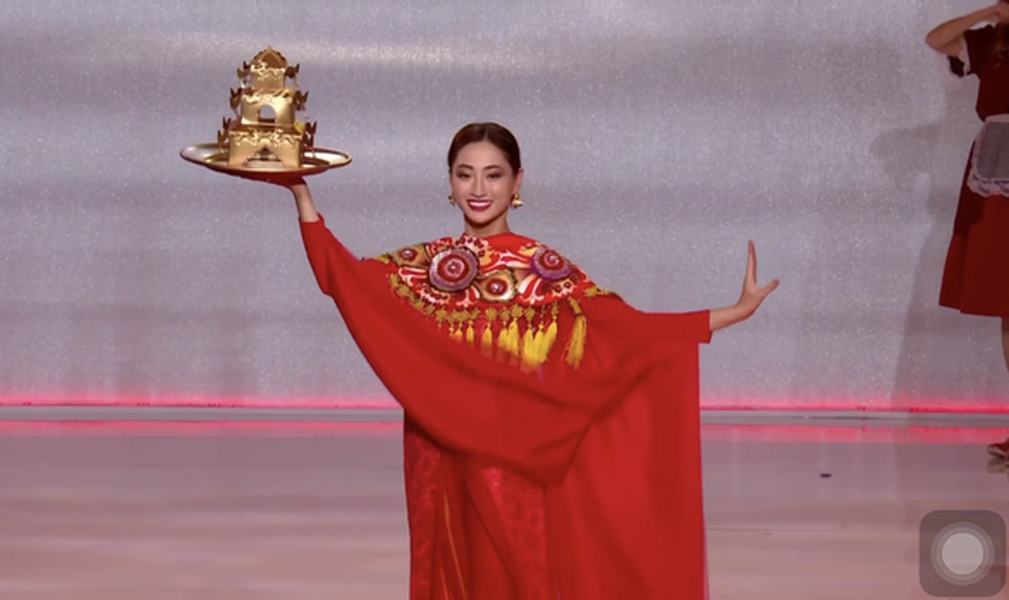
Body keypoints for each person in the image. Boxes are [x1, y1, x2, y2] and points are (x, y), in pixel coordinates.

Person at [247, 122, 777, 599]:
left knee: (514, 572)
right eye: (465, 174)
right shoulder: (423, 267)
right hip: (436, 450)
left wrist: (730, 313)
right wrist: (301, 194)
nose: (478, 189)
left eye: (493, 175)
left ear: (517, 182)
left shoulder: (542, 268)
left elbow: (626, 330)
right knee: (445, 572)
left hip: (510, 454)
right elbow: (342, 277)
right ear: (450, 182)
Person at [926, 4, 1009, 460]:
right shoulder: (989, 40)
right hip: (998, 164)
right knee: (1007, 303)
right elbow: (936, 39)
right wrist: (988, 13)